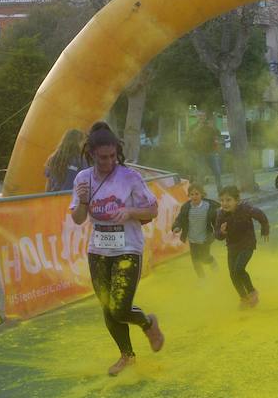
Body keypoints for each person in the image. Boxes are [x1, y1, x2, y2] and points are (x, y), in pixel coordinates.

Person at [70, 125, 165, 376]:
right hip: (98, 251)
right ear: (91, 154)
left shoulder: (130, 178)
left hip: (128, 248)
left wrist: (131, 212)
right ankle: (127, 355)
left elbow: (153, 211)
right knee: (106, 306)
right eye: (103, 157)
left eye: (113, 156)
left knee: (120, 307)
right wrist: (82, 200)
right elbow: (78, 219)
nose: (109, 161)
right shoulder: (82, 179)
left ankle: (147, 323)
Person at [215, 185, 270, 309]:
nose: (225, 203)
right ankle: (244, 298)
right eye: (222, 200)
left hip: (247, 244)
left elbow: (260, 215)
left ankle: (252, 292)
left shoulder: (246, 209)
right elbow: (217, 235)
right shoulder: (220, 214)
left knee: (238, 269)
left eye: (228, 200)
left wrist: (265, 229)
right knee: (232, 274)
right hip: (232, 246)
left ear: (237, 200)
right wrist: (222, 232)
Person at [172, 183, 220, 278]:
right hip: (193, 239)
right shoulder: (186, 207)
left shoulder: (209, 206)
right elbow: (180, 219)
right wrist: (177, 227)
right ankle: (202, 278)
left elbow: (217, 220)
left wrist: (218, 231)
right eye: (192, 194)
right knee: (195, 260)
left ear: (202, 194)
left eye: (197, 194)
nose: (194, 196)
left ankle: (212, 261)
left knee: (204, 258)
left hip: (205, 238)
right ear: (189, 195)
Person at [190, 114, 222, 191]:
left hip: (211, 152)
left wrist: (213, 127)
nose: (201, 117)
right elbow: (191, 136)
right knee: (201, 173)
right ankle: (200, 191)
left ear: (205, 117)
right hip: (199, 153)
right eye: (199, 115)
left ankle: (220, 189)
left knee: (217, 171)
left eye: (203, 116)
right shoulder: (194, 126)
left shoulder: (209, 125)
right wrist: (198, 127)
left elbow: (218, 134)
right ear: (197, 117)